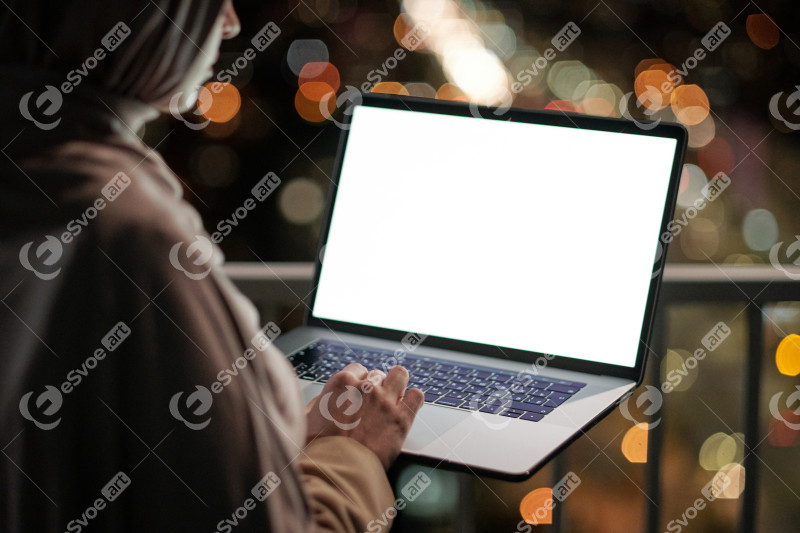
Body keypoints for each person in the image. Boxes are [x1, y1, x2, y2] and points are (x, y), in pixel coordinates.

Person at [0, 1, 424, 531]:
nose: (229, 23)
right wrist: (351, 456)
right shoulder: (129, 233)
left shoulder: (32, 162)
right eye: (207, 4)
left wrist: (274, 436)